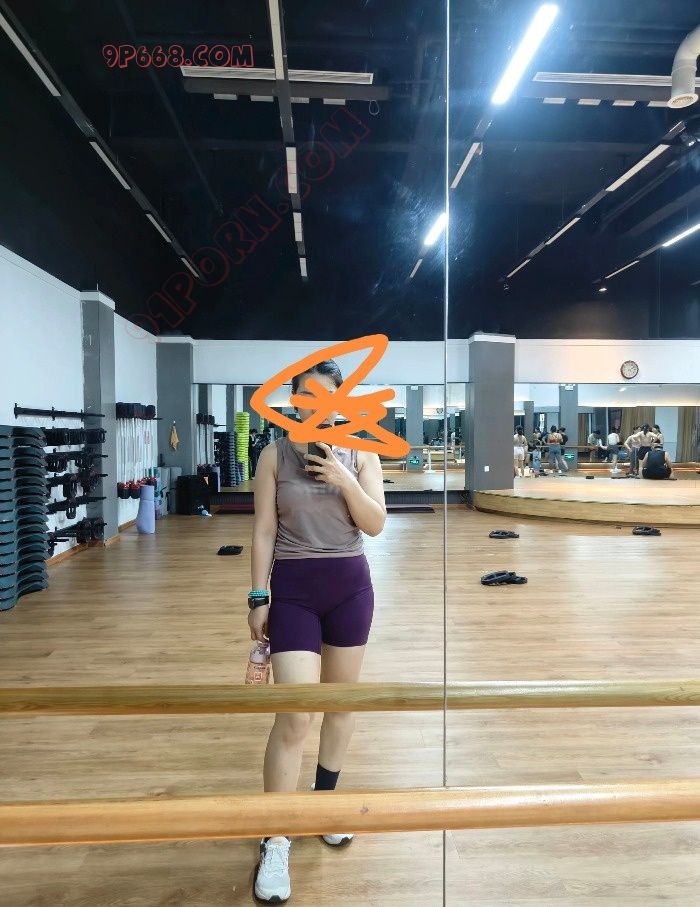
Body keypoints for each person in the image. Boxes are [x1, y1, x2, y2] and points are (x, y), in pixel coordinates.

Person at [249, 359, 386, 905]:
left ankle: (324, 805)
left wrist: (345, 478)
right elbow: (263, 530)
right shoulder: (273, 455)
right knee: (294, 715)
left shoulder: (363, 452)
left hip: (350, 588)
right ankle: (276, 836)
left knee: (340, 704)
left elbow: (375, 524)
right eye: (304, 397)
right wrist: (257, 596)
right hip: (295, 590)